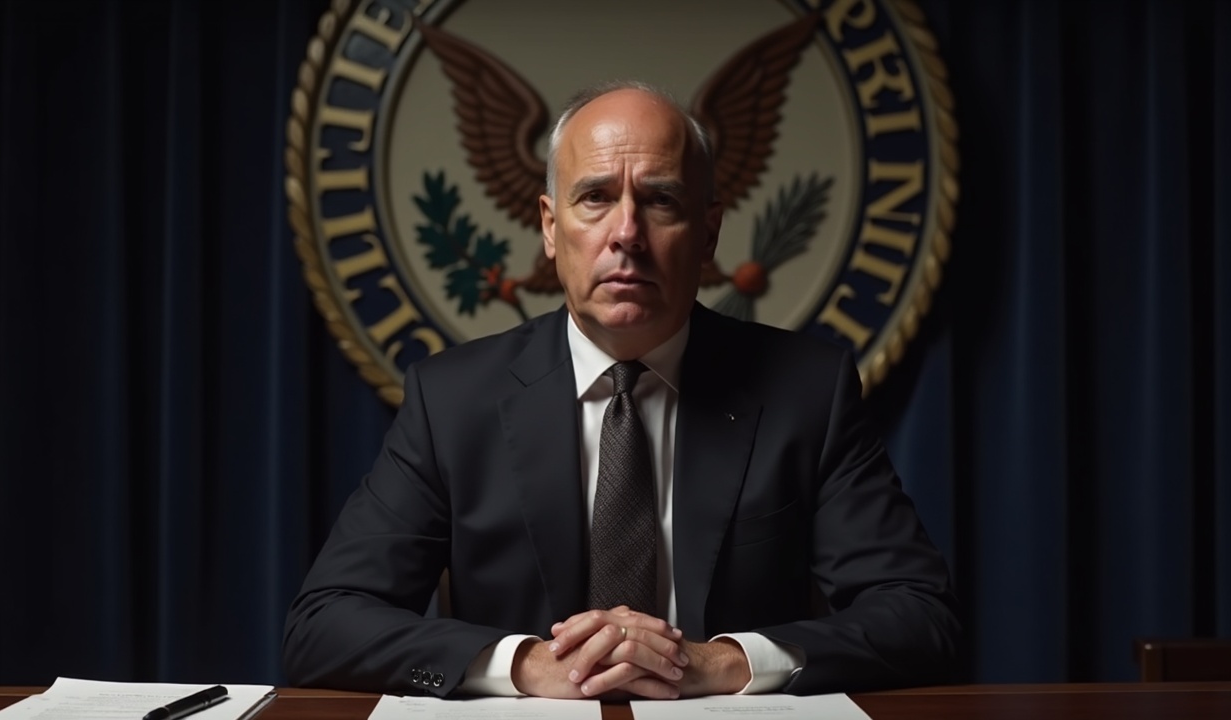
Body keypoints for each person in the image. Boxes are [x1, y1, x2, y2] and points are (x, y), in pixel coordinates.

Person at [283, 81, 961, 699]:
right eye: (596, 197)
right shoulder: (450, 400)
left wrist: (725, 662)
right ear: (551, 227)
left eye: (661, 200)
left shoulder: (807, 392)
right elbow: (323, 625)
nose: (627, 234)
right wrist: (523, 664)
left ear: (709, 233)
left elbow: (920, 616)